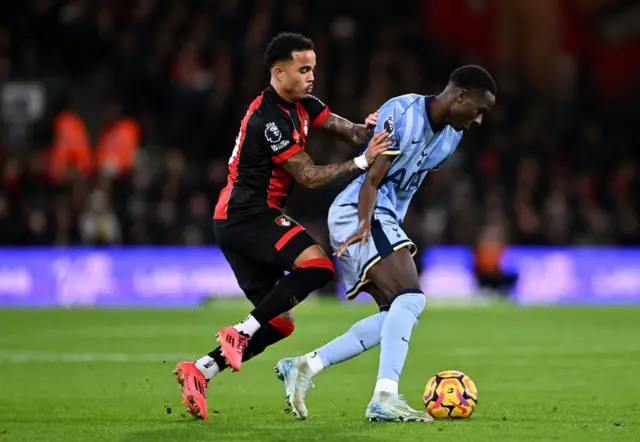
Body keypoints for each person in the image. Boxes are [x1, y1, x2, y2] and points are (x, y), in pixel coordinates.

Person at [173, 32, 390, 420]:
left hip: (237, 220)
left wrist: (369, 129)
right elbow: (307, 175)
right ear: (279, 72)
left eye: (313, 69)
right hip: (247, 213)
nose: (311, 77)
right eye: (303, 69)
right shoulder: (268, 119)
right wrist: (361, 163)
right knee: (318, 267)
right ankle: (240, 331)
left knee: (280, 324)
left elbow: (351, 131)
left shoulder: (303, 103)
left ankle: (200, 371)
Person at [275, 65, 497, 422]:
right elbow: (372, 180)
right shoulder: (403, 113)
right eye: (479, 110)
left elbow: (410, 177)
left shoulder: (451, 138)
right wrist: (365, 224)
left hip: (385, 216)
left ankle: (304, 366)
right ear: (460, 96)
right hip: (360, 212)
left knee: (392, 315)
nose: (479, 120)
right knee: (411, 297)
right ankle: (384, 398)